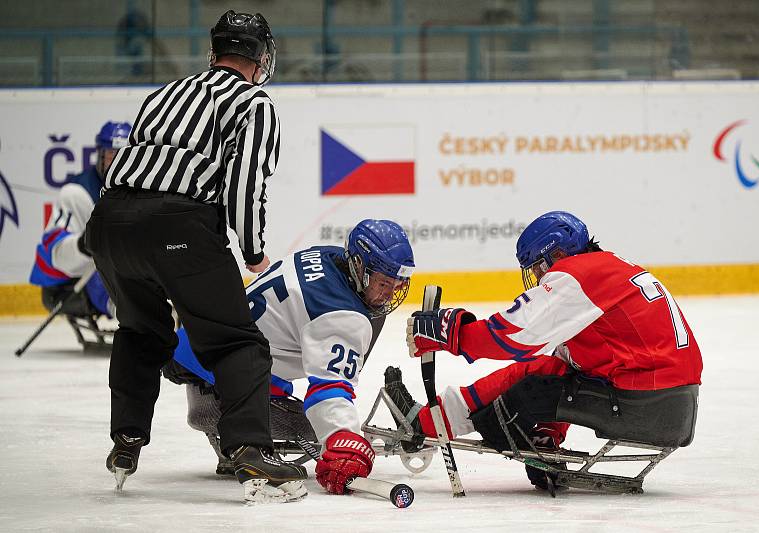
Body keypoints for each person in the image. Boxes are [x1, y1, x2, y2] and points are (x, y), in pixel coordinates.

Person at [83, 10, 307, 504]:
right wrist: (253, 252)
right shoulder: (253, 102)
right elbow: (244, 185)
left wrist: (116, 233)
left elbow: (125, 166)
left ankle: (127, 439)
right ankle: (250, 447)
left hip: (110, 222)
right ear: (260, 56)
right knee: (237, 343)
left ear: (215, 51)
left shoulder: (163, 94)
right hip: (179, 226)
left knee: (142, 331)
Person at [386, 210, 703, 491]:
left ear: (558, 254)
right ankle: (541, 437)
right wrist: (546, 436)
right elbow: (570, 359)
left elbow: (513, 337)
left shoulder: (579, 275)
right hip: (676, 406)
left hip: (641, 403)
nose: (538, 278)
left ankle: (423, 425)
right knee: (555, 364)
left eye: (537, 267)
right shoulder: (613, 268)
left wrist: (452, 332)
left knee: (534, 375)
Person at [162, 219, 415, 496]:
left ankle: (237, 436)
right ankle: (243, 446)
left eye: (398, 284)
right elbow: (328, 392)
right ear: (358, 267)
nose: (390, 293)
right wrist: (343, 439)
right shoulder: (340, 314)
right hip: (217, 375)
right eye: (383, 283)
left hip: (192, 349)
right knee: (313, 430)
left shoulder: (327, 256)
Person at [29, 121, 131, 321]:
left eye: (125, 157)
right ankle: (130, 317)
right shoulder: (76, 192)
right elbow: (56, 256)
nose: (118, 163)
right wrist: (87, 243)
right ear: (100, 155)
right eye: (112, 155)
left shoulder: (139, 191)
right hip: (70, 286)